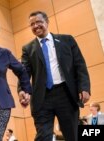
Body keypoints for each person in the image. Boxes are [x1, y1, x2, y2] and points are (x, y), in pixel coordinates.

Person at [18, 11, 91, 141]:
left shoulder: (66, 40)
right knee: (43, 136)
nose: (35, 26)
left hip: (66, 94)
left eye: (38, 22)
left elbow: (79, 64)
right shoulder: (28, 48)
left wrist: (84, 87)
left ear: (47, 22)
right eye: (32, 24)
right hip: (42, 98)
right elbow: (24, 72)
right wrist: (23, 90)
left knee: (72, 135)